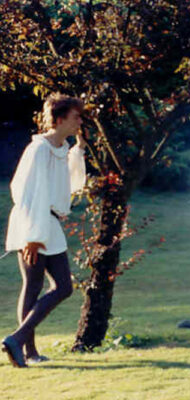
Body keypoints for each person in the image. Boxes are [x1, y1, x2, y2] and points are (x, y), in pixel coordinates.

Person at [2, 93, 86, 367]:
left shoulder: (60, 148)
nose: (80, 121)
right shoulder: (38, 149)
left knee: (63, 286)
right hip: (33, 223)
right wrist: (33, 237)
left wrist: (80, 149)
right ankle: (27, 351)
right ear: (60, 119)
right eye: (76, 117)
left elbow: (72, 184)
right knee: (34, 285)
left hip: (49, 222)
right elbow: (27, 193)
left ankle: (18, 341)